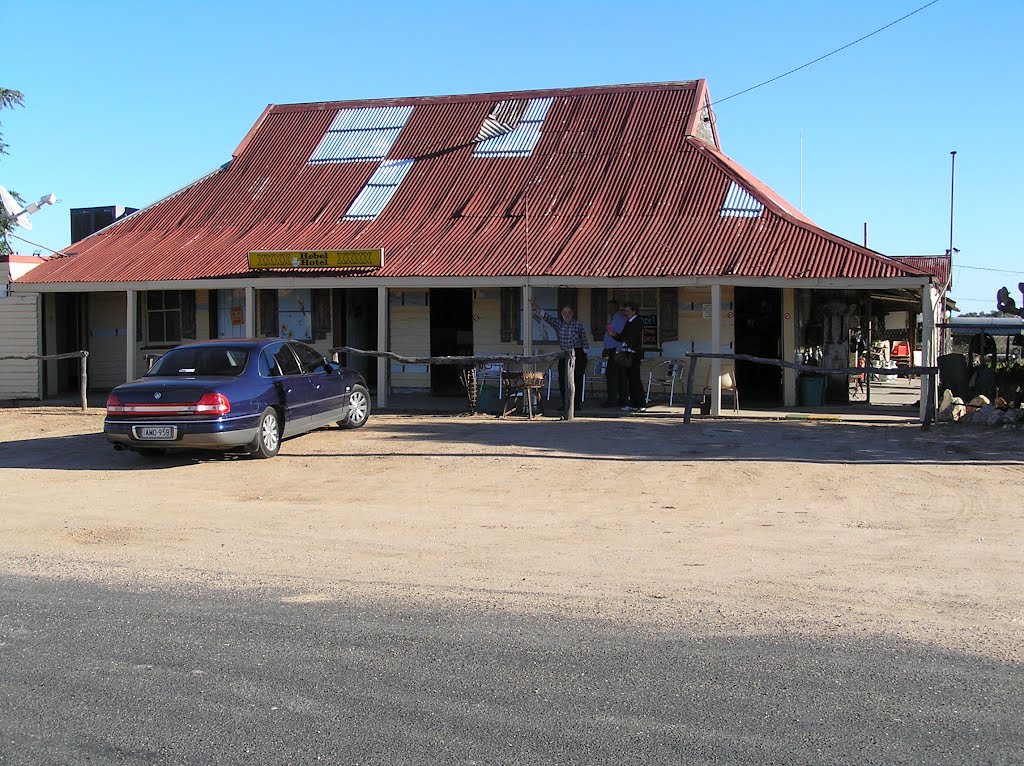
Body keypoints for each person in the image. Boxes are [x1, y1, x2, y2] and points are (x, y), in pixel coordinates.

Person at [530, 298, 589, 411]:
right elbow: (546, 316)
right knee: (562, 379)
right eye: (564, 313)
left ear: (572, 313)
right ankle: (565, 403)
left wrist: (585, 356)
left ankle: (575, 404)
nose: (567, 315)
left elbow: (584, 340)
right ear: (561, 314)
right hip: (564, 353)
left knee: (577, 379)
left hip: (578, 353)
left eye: (569, 313)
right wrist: (535, 306)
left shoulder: (578, 325)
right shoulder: (558, 323)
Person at [608, 301, 646, 412]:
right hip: (627, 354)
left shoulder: (637, 322)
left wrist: (622, 338)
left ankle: (641, 403)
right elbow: (623, 336)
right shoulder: (628, 322)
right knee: (629, 379)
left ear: (634, 311)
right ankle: (633, 403)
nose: (625, 313)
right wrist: (614, 335)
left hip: (634, 354)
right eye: (624, 311)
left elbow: (632, 337)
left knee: (635, 379)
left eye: (627, 310)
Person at [602, 299, 627, 407]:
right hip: (614, 350)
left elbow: (619, 336)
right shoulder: (615, 318)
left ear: (614, 308)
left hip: (617, 351)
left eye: (610, 308)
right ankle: (620, 399)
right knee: (618, 376)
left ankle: (613, 400)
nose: (608, 310)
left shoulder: (619, 318)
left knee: (613, 375)